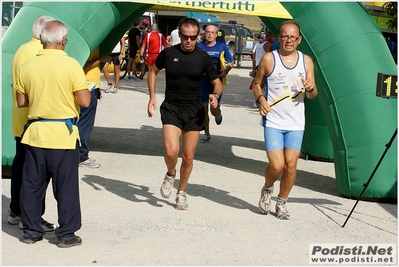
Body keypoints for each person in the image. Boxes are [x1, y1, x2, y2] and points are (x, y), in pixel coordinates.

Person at [14, 20, 91, 246]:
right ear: (64, 41)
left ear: (43, 39)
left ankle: (31, 231)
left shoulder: (27, 66)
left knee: (32, 185)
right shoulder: (71, 65)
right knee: (65, 187)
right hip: (63, 134)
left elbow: (21, 101)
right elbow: (85, 100)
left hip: (36, 132)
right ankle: (66, 235)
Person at [147, 18, 223, 210]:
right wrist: (152, 97)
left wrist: (215, 95)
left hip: (194, 110)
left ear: (198, 36)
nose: (189, 41)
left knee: (188, 156)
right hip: (172, 107)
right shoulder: (168, 53)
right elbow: (153, 71)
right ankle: (170, 173)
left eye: (193, 37)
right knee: (171, 151)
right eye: (185, 37)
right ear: (178, 35)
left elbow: (217, 82)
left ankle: (181, 192)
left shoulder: (203, 56)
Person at [252, 20, 318, 220]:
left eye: (293, 37)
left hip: (296, 123)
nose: (288, 40)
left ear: (299, 40)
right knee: (277, 165)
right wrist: (261, 99)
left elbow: (313, 94)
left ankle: (281, 202)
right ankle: (267, 188)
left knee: (291, 165)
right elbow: (256, 84)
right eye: (285, 36)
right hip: (273, 120)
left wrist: (310, 88)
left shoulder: (306, 61)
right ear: (278, 38)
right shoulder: (269, 59)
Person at [10, 15, 55, 232]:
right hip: (33, 121)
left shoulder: (22, 49)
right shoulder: (38, 54)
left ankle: (16, 210)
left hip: (22, 119)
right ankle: (29, 216)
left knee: (21, 168)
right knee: (34, 175)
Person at [197, 24, 234, 143]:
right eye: (207, 32)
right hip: (202, 82)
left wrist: (226, 71)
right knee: (203, 109)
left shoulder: (221, 46)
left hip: (216, 83)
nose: (209, 34)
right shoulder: (199, 46)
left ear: (216, 34)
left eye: (212, 32)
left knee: (214, 110)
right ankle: (206, 133)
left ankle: (218, 114)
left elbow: (231, 61)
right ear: (204, 33)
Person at [79, 49, 111, 168]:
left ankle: (80, 153)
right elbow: (82, 64)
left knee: (85, 122)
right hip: (87, 86)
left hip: (92, 87)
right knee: (85, 123)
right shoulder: (89, 46)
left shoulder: (95, 45)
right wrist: (100, 60)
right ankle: (81, 155)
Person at [250, 31, 276, 108]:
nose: (274, 39)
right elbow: (269, 57)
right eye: (273, 37)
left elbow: (254, 57)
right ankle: (261, 101)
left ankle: (257, 101)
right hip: (265, 66)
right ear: (270, 36)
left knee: (258, 84)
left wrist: (253, 67)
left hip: (258, 66)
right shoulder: (268, 45)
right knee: (265, 85)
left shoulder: (259, 43)